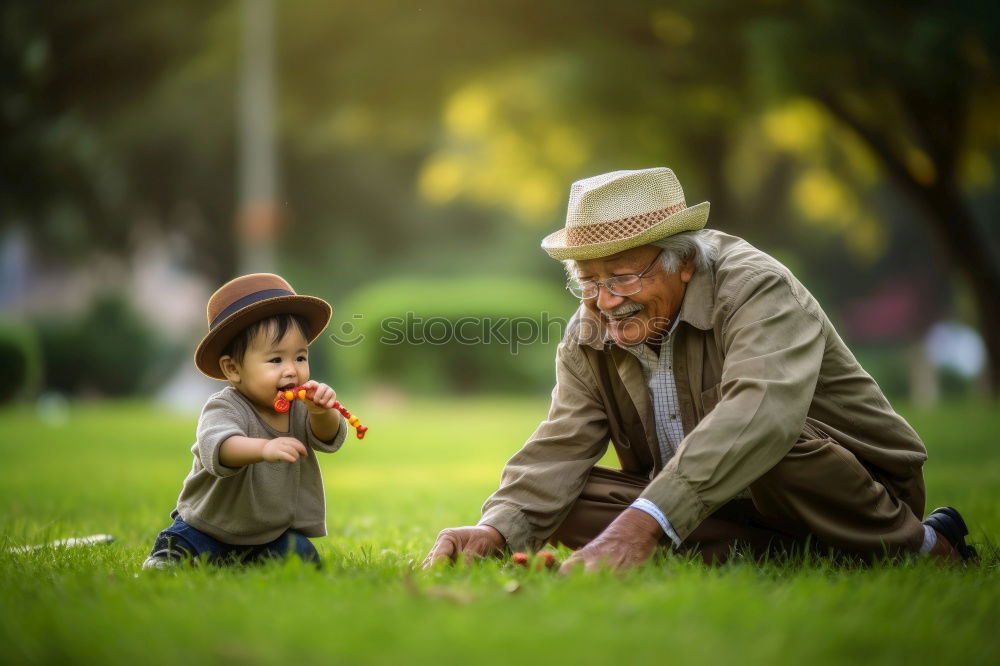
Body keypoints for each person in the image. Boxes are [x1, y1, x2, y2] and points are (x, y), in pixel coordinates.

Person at [424, 167, 977, 572]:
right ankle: (810, 557)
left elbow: (762, 416)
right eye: (588, 281)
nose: (605, 301)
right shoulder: (589, 327)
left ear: (684, 262)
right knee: (558, 500)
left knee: (764, 441)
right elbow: (562, 442)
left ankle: (924, 547)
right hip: (717, 504)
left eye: (621, 276)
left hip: (847, 483)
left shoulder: (756, 286)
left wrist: (640, 526)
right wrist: (496, 528)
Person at [143, 273, 348, 569]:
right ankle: (169, 554)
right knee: (186, 545)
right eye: (276, 360)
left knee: (301, 554)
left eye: (300, 357)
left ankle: (246, 562)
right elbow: (221, 447)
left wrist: (321, 412)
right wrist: (264, 449)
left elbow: (329, 439)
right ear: (233, 369)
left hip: (269, 532)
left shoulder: (301, 406)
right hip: (208, 525)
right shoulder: (224, 406)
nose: (292, 371)